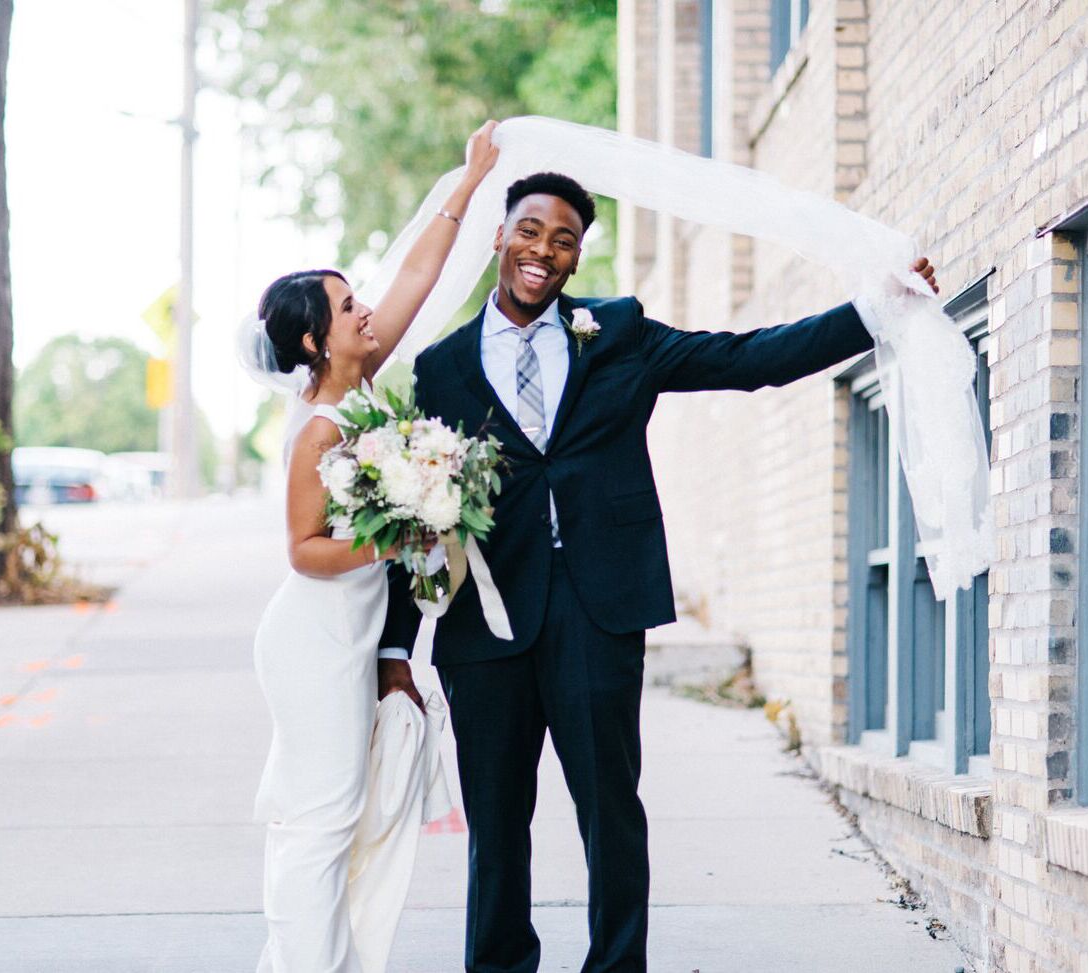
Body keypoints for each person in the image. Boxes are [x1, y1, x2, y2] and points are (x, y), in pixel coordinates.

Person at [377, 171, 938, 973]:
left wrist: (871, 311)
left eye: (563, 239)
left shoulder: (618, 332)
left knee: (609, 807)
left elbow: (748, 358)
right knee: (495, 822)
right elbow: (415, 508)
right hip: (486, 624)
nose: (543, 250)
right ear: (499, 237)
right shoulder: (440, 368)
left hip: (598, 608)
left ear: (576, 258)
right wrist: (395, 646)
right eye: (530, 230)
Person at [250, 120, 499, 973]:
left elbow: (418, 278)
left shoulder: (362, 385)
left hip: (351, 636)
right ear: (313, 341)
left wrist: (468, 183)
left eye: (358, 298)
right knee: (320, 819)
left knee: (338, 813)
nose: (364, 309)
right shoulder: (320, 427)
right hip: (312, 639)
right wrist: (397, 536)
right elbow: (303, 549)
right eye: (346, 305)